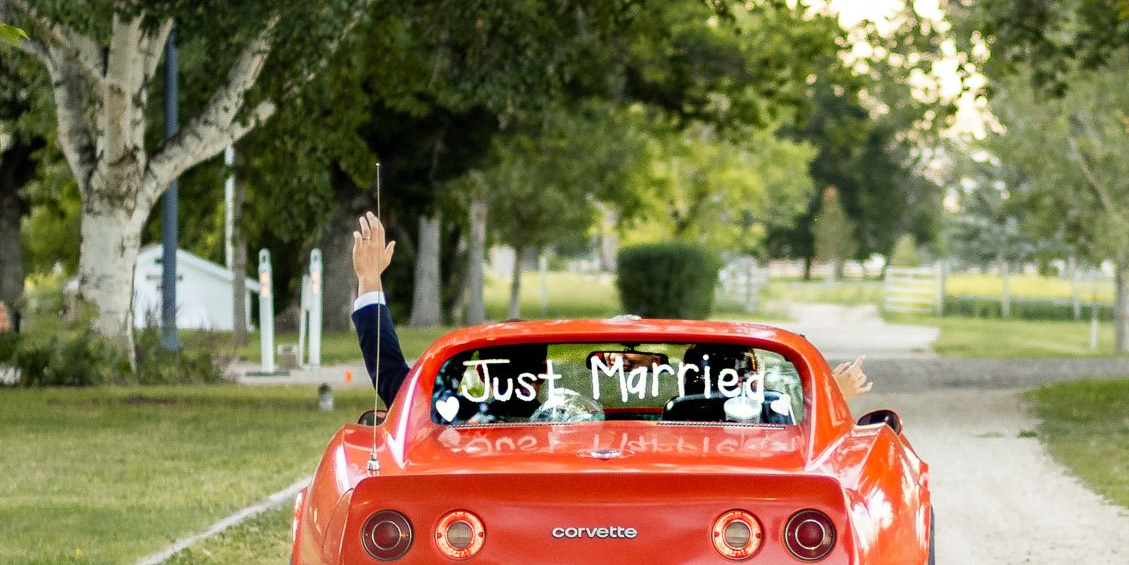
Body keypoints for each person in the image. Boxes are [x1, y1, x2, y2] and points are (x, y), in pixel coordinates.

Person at [347, 213, 870, 408]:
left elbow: (397, 386)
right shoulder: (707, 408)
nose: (623, 361)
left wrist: (372, 284)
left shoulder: (517, 400)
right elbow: (398, 388)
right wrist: (831, 402)